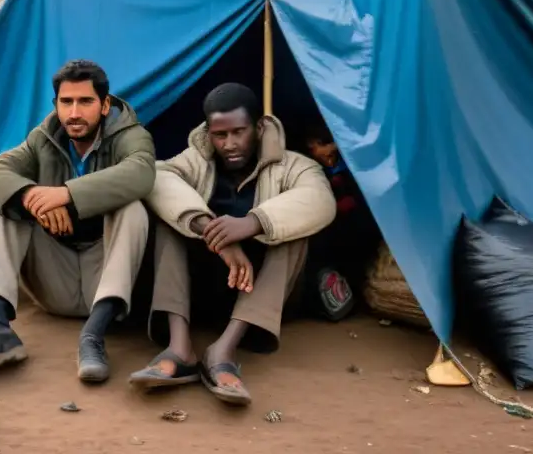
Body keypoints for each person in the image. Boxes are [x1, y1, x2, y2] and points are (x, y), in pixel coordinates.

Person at [129, 83, 335, 406]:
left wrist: (252, 223)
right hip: (207, 289)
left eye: (239, 132)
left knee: (293, 236)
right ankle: (179, 346)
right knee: (172, 222)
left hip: (262, 299)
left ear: (259, 126)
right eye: (219, 135)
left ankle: (223, 349)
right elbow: (156, 177)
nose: (230, 144)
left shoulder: (294, 165)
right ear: (208, 133)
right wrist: (211, 230)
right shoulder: (196, 161)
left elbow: (321, 200)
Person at [0, 60, 155, 384]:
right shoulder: (43, 139)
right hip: (53, 279)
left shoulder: (130, 135)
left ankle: (92, 338)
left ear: (104, 105)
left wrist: (65, 194)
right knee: (10, 205)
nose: (74, 112)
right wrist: (31, 196)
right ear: (56, 105)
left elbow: (141, 173)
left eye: (85, 101)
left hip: (103, 282)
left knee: (132, 210)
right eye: (66, 102)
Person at [304, 122, 381, 321]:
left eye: (324, 146)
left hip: (358, 228)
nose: (320, 152)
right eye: (313, 149)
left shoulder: (351, 166)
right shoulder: (314, 170)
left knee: (356, 261)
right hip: (333, 229)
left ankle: (353, 299)